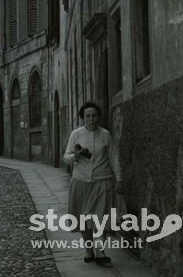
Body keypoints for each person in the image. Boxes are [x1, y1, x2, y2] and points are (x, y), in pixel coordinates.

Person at [63, 101, 123, 268]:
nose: (91, 119)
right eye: (88, 116)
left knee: (101, 218)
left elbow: (113, 157)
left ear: (98, 117)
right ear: (83, 117)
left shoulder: (105, 135)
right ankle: (89, 249)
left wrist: (119, 179)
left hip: (101, 180)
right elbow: (65, 157)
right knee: (84, 218)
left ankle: (100, 251)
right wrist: (75, 155)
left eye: (94, 115)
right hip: (80, 181)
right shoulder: (76, 134)